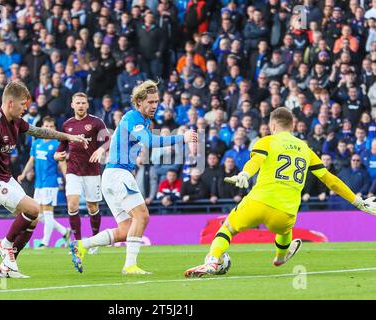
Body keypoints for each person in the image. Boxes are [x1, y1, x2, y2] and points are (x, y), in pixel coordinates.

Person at [185, 107, 376, 277]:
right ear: (292, 126)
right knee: (285, 231)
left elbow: (255, 162)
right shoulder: (305, 149)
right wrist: (358, 202)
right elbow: (330, 180)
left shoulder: (266, 141)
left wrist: (244, 173)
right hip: (285, 212)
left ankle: (212, 260)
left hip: (258, 201)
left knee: (228, 228)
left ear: (273, 125)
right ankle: (280, 257)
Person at [69, 80, 197, 275]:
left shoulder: (142, 120)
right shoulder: (132, 117)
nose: (155, 106)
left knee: (125, 230)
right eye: (150, 102)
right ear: (139, 102)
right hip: (118, 174)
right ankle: (130, 266)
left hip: (113, 176)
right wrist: (182, 137)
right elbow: (149, 141)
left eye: (156, 101)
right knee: (142, 216)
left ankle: (81, 245)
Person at [0, 80, 88, 278]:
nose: (27, 107)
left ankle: (7, 266)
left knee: (33, 218)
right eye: (23, 104)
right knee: (33, 208)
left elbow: (40, 131)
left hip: (4, 177)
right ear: (10, 103)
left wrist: (68, 137)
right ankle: (4, 245)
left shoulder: (16, 121)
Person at [54, 92, 110, 255]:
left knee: (93, 207)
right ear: (72, 105)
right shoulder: (67, 125)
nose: (80, 105)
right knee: (72, 204)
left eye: (83, 103)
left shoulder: (96, 122)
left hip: (92, 171)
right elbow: (61, 148)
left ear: (87, 105)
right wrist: (57, 155)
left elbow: (108, 140)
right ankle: (77, 243)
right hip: (73, 171)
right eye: (77, 103)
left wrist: (100, 149)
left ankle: (94, 240)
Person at [17, 116, 71, 249]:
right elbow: (31, 160)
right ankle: (65, 231)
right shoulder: (37, 143)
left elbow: (63, 164)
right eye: (46, 126)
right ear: (42, 127)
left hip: (50, 182)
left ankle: (45, 242)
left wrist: (67, 179)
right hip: (38, 184)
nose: (49, 128)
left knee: (47, 213)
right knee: (38, 214)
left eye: (51, 126)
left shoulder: (57, 145)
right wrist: (24, 173)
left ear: (55, 129)